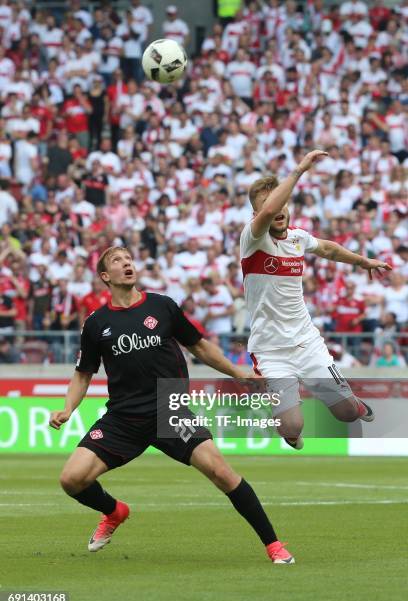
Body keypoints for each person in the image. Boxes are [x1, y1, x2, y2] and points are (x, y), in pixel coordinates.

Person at [49, 246, 295, 564]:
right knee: (71, 479)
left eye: (129, 259)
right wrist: (68, 409)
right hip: (123, 417)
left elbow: (200, 346)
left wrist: (237, 372)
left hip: (170, 409)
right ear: (105, 277)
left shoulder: (162, 306)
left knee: (221, 472)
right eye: (117, 261)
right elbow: (83, 374)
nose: (127, 263)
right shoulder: (97, 324)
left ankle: (274, 545)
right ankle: (114, 511)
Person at [240, 150, 392, 450]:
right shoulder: (253, 237)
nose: (278, 209)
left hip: (307, 343)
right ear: (256, 214)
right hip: (271, 350)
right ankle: (291, 429)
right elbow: (268, 211)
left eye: (283, 203)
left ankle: (351, 401)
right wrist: (299, 170)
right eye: (269, 206)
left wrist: (364, 262)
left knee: (348, 413)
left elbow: (329, 250)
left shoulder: (297, 238)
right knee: (292, 427)